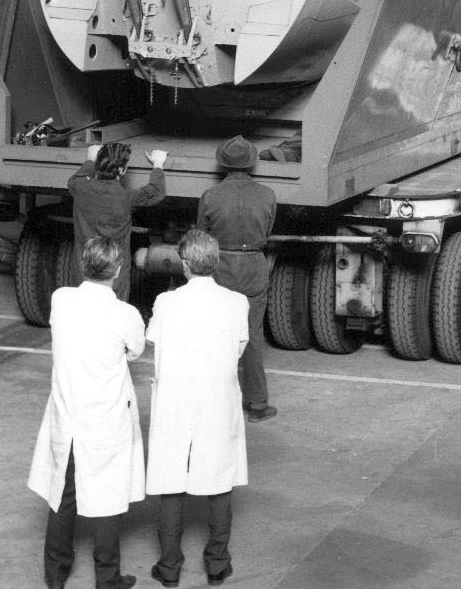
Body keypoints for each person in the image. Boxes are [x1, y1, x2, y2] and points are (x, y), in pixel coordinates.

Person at [28, 235, 145, 589]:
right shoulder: (126, 314)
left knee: (62, 494)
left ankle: (55, 574)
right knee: (107, 497)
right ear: (118, 270)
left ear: (83, 265)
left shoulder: (61, 300)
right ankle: (107, 578)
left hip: (67, 414)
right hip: (105, 417)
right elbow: (135, 351)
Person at [145, 230, 249, 588]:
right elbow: (238, 348)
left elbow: (153, 341)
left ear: (185, 264)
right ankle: (217, 564)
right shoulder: (237, 303)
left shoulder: (166, 302)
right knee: (220, 480)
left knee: (171, 482)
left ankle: (170, 567)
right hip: (217, 399)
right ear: (215, 262)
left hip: (176, 398)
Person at [196, 137, 277, 421]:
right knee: (252, 335)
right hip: (254, 265)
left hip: (221, 267)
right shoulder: (267, 194)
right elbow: (267, 232)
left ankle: (216, 403)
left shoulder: (210, 195)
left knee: (218, 335)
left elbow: (201, 237)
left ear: (223, 163)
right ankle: (257, 404)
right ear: (252, 163)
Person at [69, 143, 168, 303]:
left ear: (98, 165)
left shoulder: (79, 188)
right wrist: (157, 164)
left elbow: (77, 178)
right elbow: (156, 191)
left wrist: (90, 159)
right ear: (122, 170)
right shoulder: (126, 198)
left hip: (83, 272)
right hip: (114, 275)